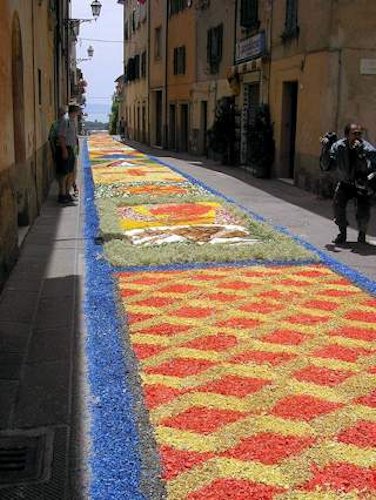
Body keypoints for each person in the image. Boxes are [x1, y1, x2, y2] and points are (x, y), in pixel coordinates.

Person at [320, 123, 376, 244]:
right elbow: (327, 166)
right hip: (345, 182)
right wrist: (325, 149)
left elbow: (371, 167)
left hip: (362, 184)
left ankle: (362, 235)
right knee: (337, 205)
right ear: (346, 135)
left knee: (363, 210)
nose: (357, 137)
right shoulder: (338, 146)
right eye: (354, 134)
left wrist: (361, 154)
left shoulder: (367, 148)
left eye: (359, 134)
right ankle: (342, 233)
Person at [56, 104, 80, 203]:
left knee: (71, 172)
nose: (79, 113)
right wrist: (64, 150)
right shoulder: (65, 120)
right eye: (78, 111)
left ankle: (67, 193)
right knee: (64, 173)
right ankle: (62, 195)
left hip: (71, 149)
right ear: (74, 111)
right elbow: (61, 136)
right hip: (66, 149)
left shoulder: (71, 120)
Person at [49, 106, 67, 201]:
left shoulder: (54, 124)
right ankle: (62, 194)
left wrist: (53, 150)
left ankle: (62, 193)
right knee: (63, 173)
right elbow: (57, 138)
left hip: (57, 150)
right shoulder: (62, 123)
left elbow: (50, 138)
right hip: (61, 149)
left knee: (61, 172)